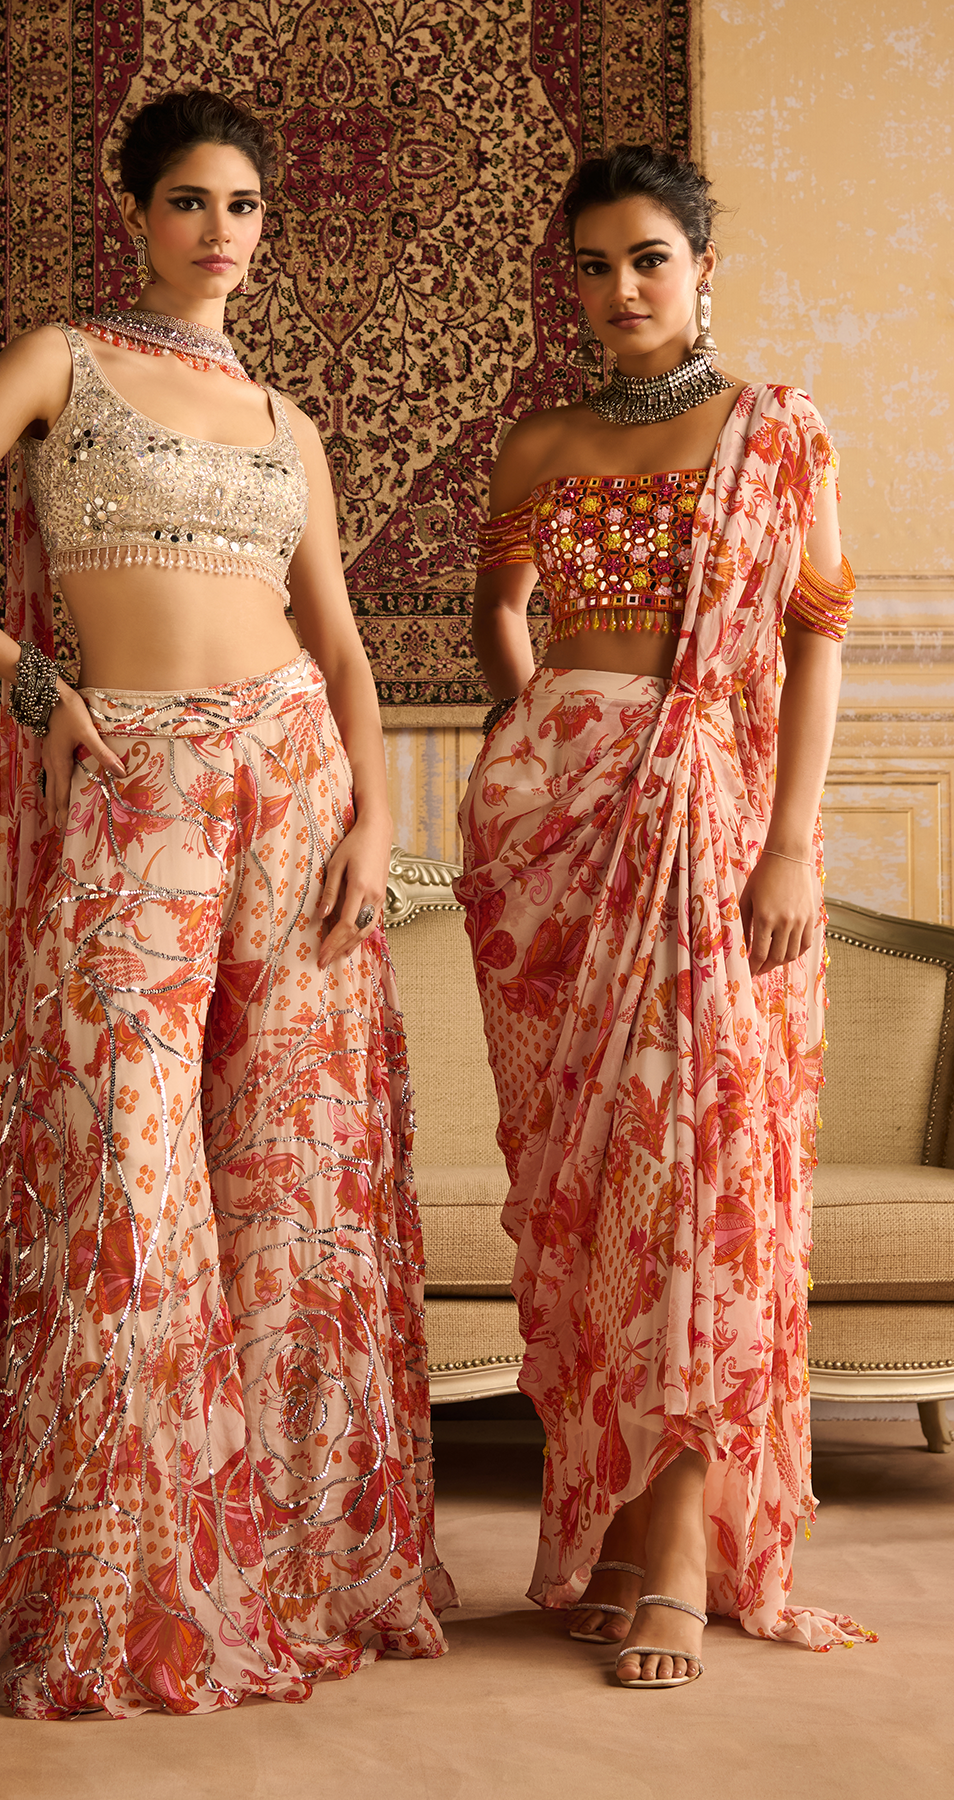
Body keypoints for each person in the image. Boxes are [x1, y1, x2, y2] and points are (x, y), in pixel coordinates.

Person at [0, 87, 453, 1719]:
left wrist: (379, 818)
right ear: (134, 211)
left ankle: (293, 1570)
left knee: (290, 1168)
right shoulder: (61, 362)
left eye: (244, 207)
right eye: (190, 201)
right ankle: (117, 1583)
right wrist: (32, 682)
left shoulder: (289, 422)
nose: (220, 232)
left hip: (297, 781)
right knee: (121, 1161)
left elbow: (341, 643)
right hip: (139, 778)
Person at [455, 144, 875, 1689]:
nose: (620, 288)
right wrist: (535, 740)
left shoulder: (779, 431)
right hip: (551, 840)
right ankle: (624, 1533)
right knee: (590, 1197)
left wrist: (789, 846)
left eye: (649, 259)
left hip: (710, 823)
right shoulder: (541, 442)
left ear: (703, 269)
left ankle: (684, 1549)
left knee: (696, 1172)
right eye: (592, 264)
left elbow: (818, 642)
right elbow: (500, 614)